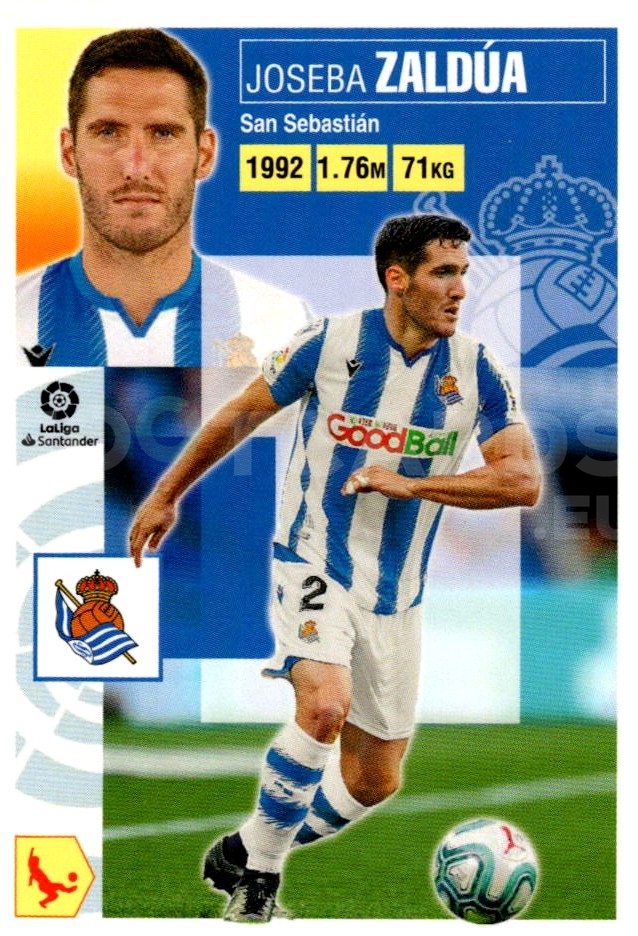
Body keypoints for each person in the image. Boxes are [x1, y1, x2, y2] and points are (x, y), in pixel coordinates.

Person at [129, 214, 542, 922]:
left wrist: (410, 482)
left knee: (375, 780)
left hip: (397, 594)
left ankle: (247, 847)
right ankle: (259, 887)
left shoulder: (476, 369)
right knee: (323, 705)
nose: (459, 290)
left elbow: (522, 480)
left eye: (464, 274)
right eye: (444, 273)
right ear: (397, 279)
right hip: (314, 559)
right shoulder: (330, 343)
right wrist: (166, 494)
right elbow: (238, 415)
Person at [17, 28, 308, 367]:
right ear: (70, 153)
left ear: (204, 155)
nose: (136, 167)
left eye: (164, 133)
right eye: (108, 132)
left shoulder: (284, 325)